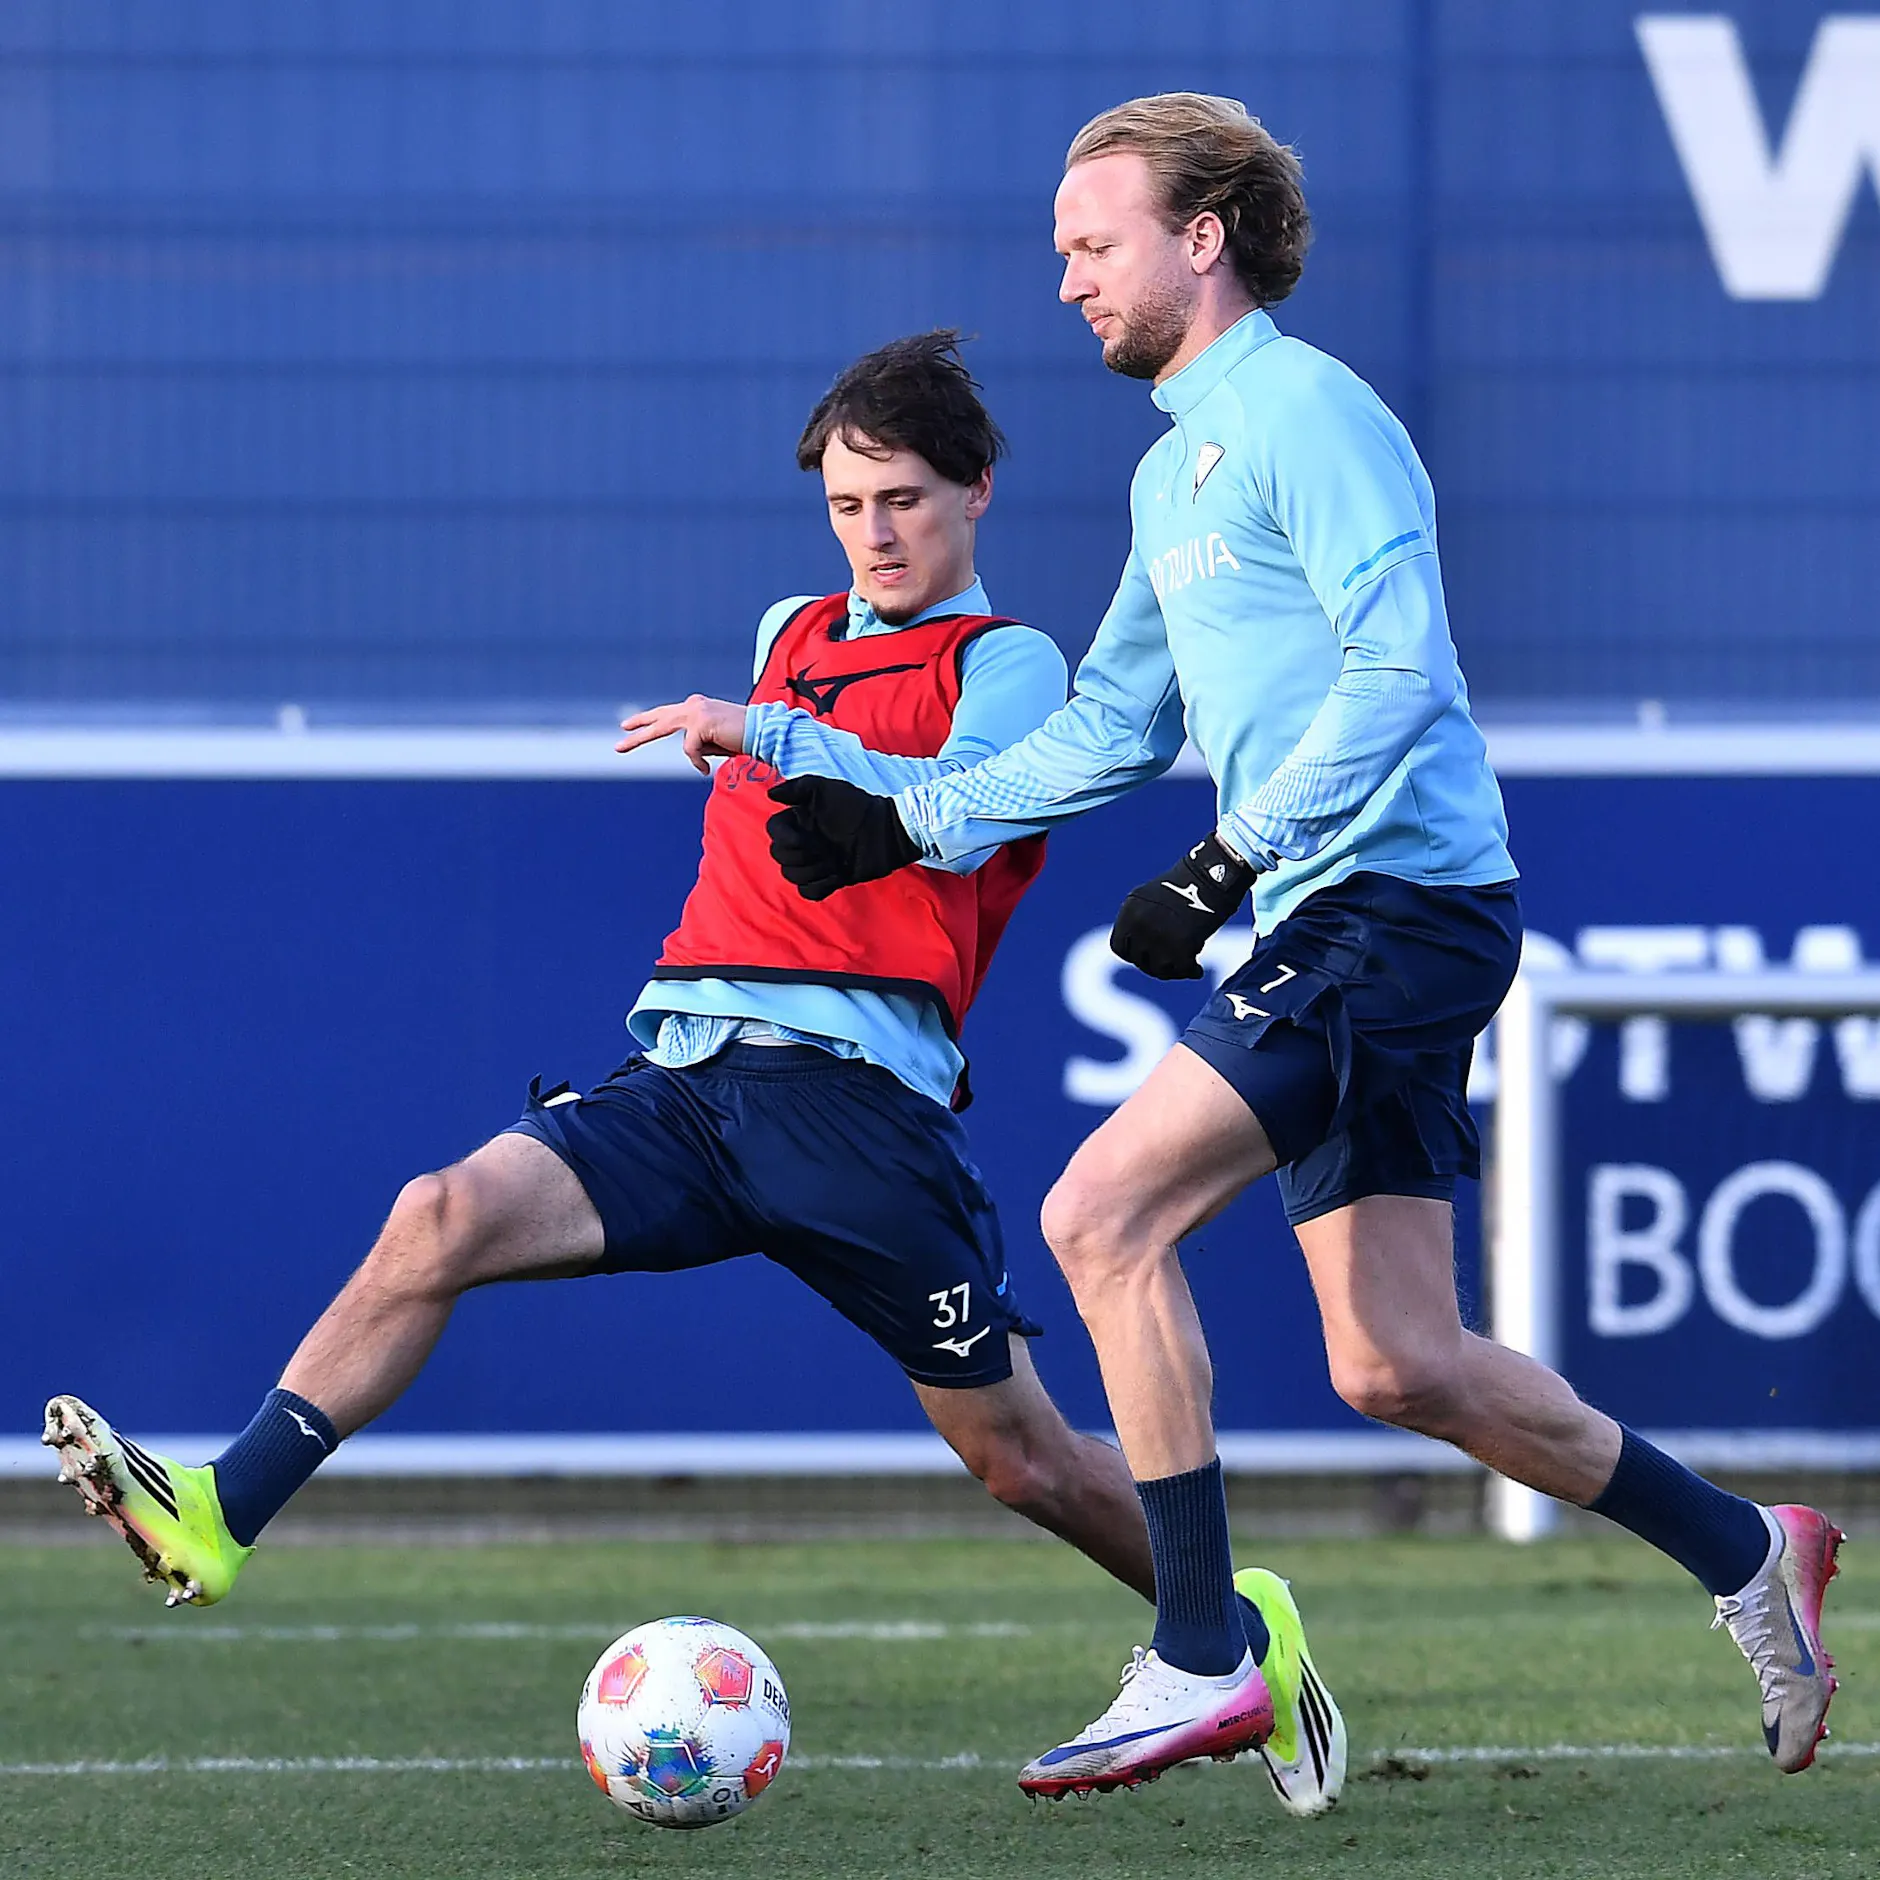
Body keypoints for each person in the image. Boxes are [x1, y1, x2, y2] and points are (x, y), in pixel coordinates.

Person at [44, 329, 1343, 1818]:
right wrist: (775, 725)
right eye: (849, 504)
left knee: (1022, 1462)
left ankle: (1235, 1632)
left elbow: (964, 811)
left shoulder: (1008, 661)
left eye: (906, 500)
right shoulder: (791, 628)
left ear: (978, 490)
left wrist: (768, 731)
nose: (876, 533)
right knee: (438, 1215)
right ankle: (220, 1513)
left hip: (861, 1112)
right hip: (686, 1078)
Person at [765, 96, 1844, 1797]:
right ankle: (1746, 1546)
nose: (1068, 280)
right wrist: (903, 819)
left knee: (1099, 1214)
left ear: (1202, 239)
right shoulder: (1171, 467)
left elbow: (1404, 669)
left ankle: (1204, 1649)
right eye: (1063, 251)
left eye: (1092, 244)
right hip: (1341, 912)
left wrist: (1228, 859)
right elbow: (1113, 727)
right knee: (1396, 1362)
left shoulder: (1308, 410)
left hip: (1392, 906)